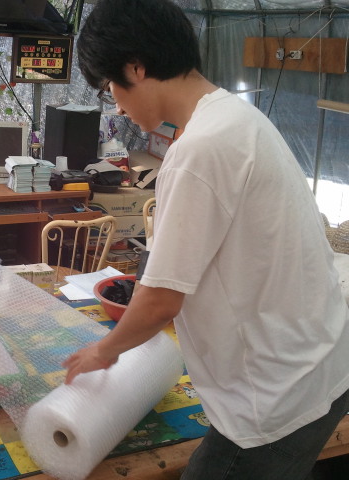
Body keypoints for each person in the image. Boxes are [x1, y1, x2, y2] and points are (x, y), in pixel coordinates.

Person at [63, 1, 349, 479]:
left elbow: (160, 302)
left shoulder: (200, 149)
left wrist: (102, 352)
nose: (117, 105)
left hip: (274, 397)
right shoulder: (236, 117)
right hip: (318, 361)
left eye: (110, 86)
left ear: (136, 67)